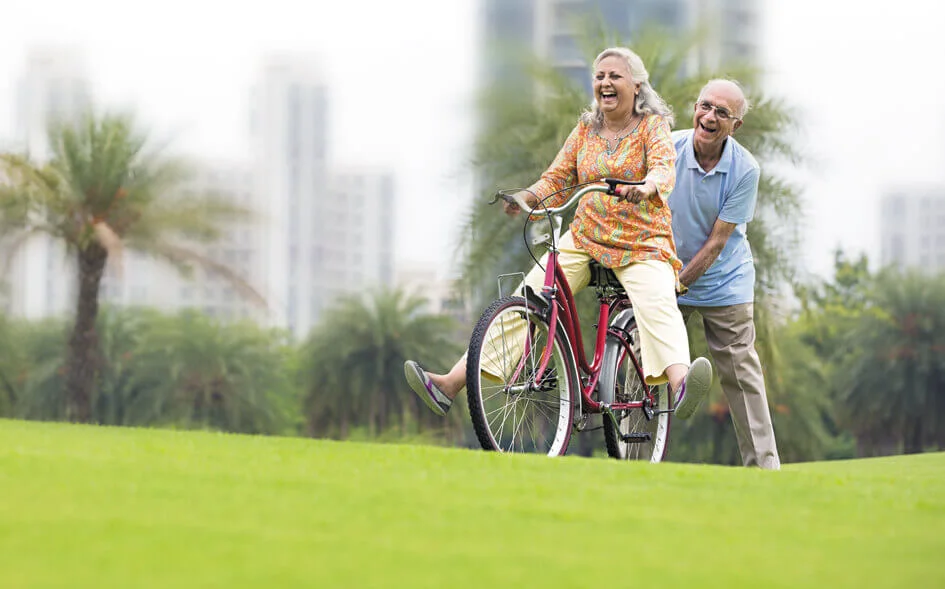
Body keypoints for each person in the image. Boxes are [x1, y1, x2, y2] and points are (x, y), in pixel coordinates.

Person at [404, 47, 712, 422]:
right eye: (599, 76)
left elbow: (665, 167)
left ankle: (680, 385)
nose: (605, 83)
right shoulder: (586, 129)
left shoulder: (652, 126)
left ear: (636, 84)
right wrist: (528, 197)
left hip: (641, 242)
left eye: (614, 76)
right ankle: (449, 384)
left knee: (656, 299)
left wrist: (648, 186)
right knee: (529, 297)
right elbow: (558, 177)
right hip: (585, 237)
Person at [667, 79, 781, 469]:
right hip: (667, 276)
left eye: (722, 113)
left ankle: (764, 470)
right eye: (705, 106)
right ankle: (635, 459)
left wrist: (677, 284)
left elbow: (717, 244)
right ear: (694, 107)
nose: (709, 117)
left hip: (723, 284)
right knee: (641, 368)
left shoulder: (746, 170)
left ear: (736, 126)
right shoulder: (667, 148)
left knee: (742, 378)